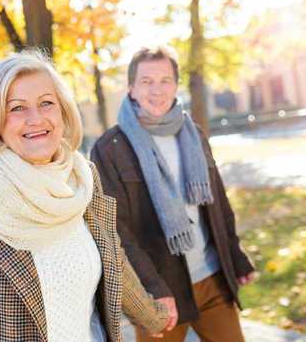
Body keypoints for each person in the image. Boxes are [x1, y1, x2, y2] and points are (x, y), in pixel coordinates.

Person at [0, 51, 168, 342]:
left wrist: (154, 316)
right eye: (17, 108)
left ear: (62, 111)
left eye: (46, 103)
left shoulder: (82, 180)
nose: (35, 119)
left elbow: (114, 262)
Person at [91, 46, 255, 342]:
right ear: (131, 88)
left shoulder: (193, 133)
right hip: (161, 294)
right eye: (147, 81)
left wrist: (235, 255)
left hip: (212, 279)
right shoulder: (110, 148)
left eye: (165, 80)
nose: (157, 90)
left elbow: (217, 201)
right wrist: (152, 288)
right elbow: (116, 230)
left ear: (176, 85)